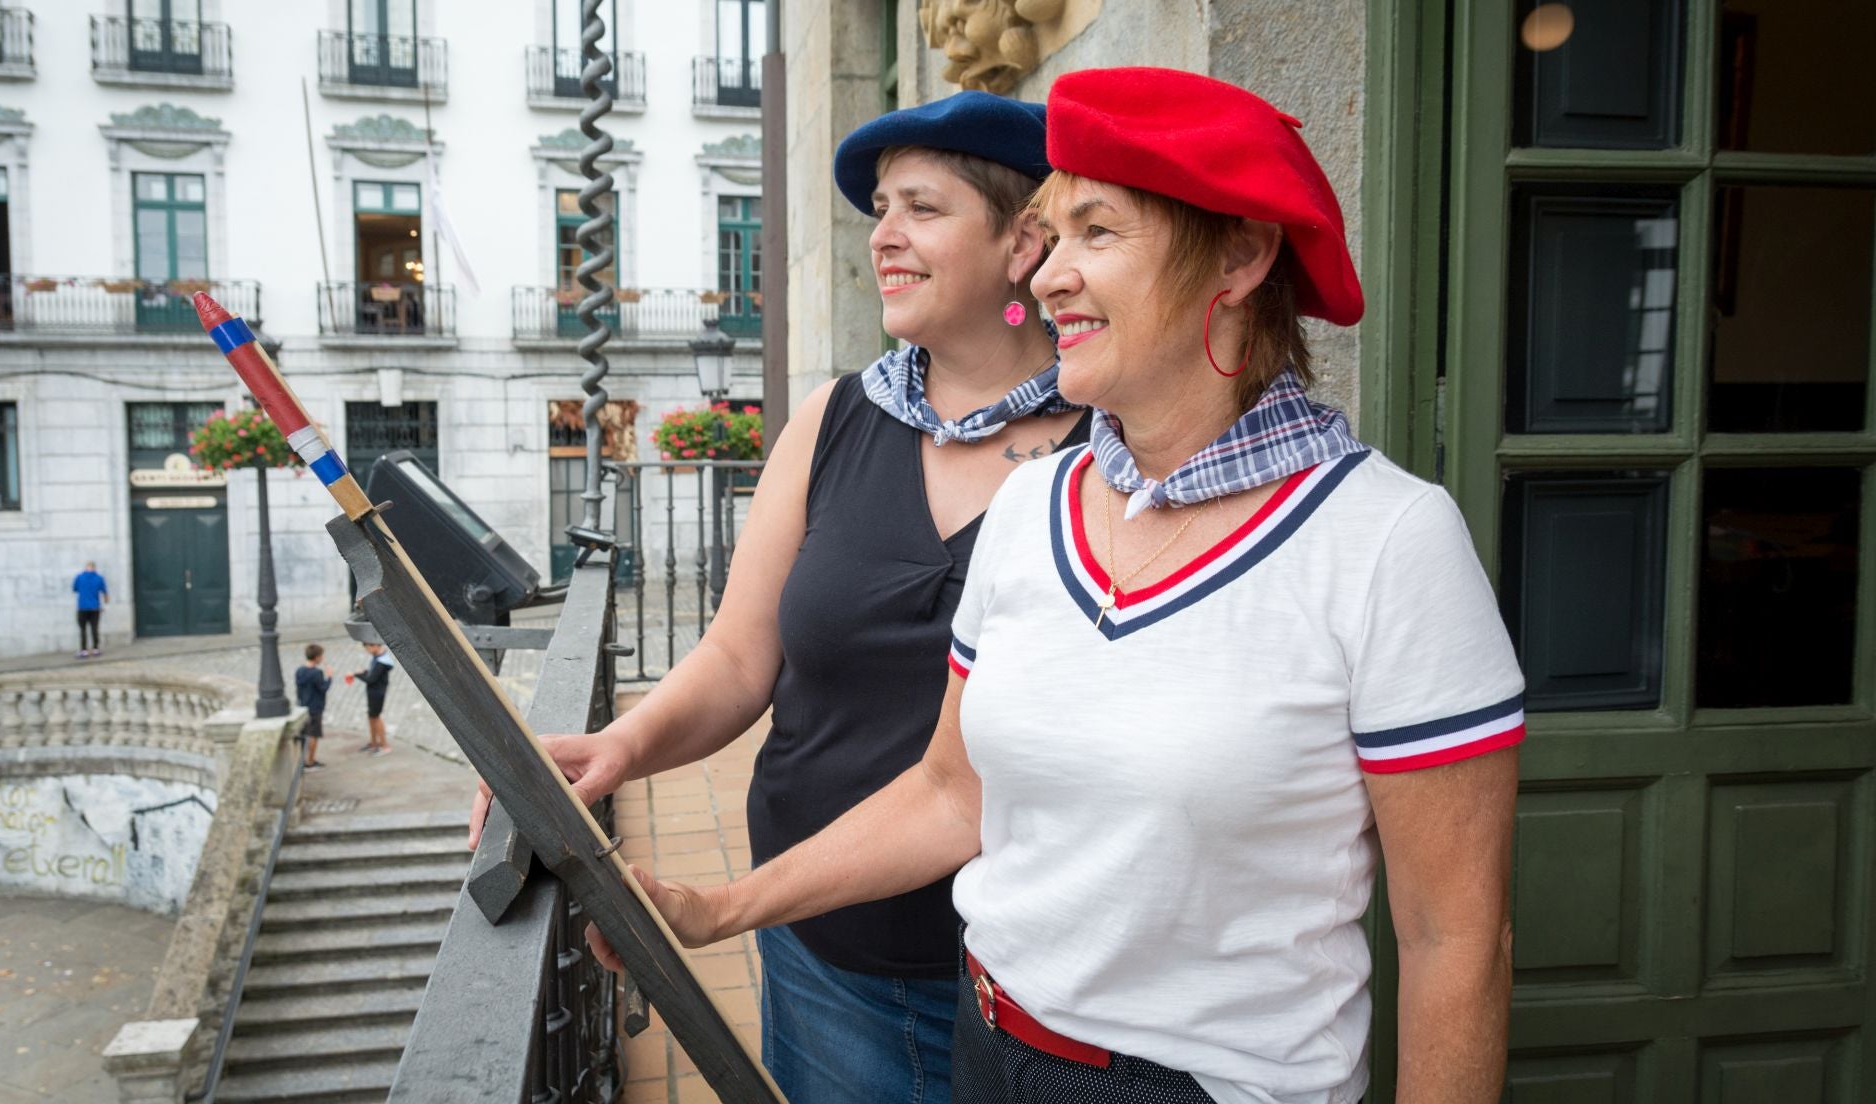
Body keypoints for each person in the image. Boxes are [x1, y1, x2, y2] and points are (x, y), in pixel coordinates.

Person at [595, 70, 1525, 1104]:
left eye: (1097, 231)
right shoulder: (1034, 506)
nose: (1048, 277)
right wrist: (724, 906)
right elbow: (952, 794)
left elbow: (1453, 936)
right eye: (1050, 234)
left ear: (1245, 251)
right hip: (988, 1047)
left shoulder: (1389, 541)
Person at [470, 90, 1090, 1103]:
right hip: (822, 956)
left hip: (1027, 974)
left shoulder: (1107, 449)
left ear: (1025, 242)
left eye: (922, 209)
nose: (883, 237)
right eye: (879, 209)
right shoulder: (834, 420)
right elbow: (737, 658)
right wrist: (618, 746)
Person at [346, 642, 394, 755]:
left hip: (377, 693)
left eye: (367, 648)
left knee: (376, 717)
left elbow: (371, 679)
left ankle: (384, 745)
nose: (367, 650)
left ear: (375, 646)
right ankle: (373, 743)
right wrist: (365, 672)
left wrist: (356, 674)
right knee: (371, 716)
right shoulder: (378, 657)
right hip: (374, 692)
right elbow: (373, 675)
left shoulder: (381, 662)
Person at [295, 643, 330, 770]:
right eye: (321, 656)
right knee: (314, 734)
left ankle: (301, 760)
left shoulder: (300, 670)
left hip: (302, 706)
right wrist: (329, 676)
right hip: (315, 707)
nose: (322, 659)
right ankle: (310, 761)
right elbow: (324, 688)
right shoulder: (317, 673)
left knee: (303, 734)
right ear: (316, 657)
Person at [71, 560, 109, 659]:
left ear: (86, 567)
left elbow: (75, 589)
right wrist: (105, 603)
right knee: (94, 629)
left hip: (82, 607)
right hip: (95, 607)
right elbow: (105, 592)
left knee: (83, 629)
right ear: (94, 568)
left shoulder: (79, 577)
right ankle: (96, 649)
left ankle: (84, 651)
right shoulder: (99, 578)